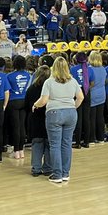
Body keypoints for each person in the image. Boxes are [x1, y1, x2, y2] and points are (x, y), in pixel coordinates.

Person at [34, 56, 82, 185]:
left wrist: (35, 105)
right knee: (66, 144)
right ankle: (65, 173)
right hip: (71, 113)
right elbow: (80, 97)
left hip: (54, 113)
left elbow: (43, 100)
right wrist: (72, 107)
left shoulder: (49, 82)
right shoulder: (73, 81)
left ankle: (57, 174)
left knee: (55, 145)